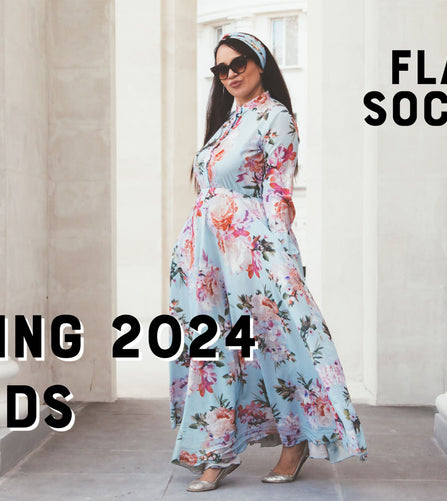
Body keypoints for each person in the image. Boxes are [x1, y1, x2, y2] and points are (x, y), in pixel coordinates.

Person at [167, 32, 368, 492]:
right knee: (213, 347)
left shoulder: (275, 118)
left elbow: (279, 192)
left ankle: (294, 441)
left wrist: (285, 261)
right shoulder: (229, 121)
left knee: (275, 345)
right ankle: (216, 452)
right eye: (221, 69)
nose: (231, 73)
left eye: (239, 63)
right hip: (207, 262)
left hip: (250, 257)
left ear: (260, 64)